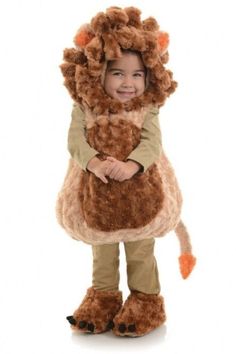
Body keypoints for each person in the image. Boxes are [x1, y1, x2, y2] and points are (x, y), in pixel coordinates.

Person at [57, 6, 195, 338]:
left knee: (140, 251)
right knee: (102, 251)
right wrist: (93, 161)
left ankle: (146, 300)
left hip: (141, 195)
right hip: (97, 197)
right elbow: (75, 141)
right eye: (118, 73)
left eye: (138, 75)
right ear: (98, 73)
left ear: (149, 76)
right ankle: (104, 297)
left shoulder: (147, 110)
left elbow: (152, 144)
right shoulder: (85, 109)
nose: (129, 83)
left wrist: (131, 165)